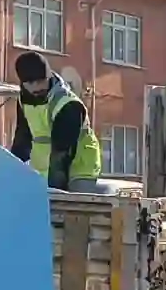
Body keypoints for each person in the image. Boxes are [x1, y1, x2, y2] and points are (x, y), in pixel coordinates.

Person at [9, 52, 101, 190]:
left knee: (73, 209)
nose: (37, 87)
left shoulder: (67, 104)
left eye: (41, 81)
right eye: (30, 83)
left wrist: (55, 190)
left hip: (80, 168)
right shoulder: (24, 102)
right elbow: (22, 141)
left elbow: (62, 152)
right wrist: (12, 172)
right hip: (45, 170)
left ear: (49, 76)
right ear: (23, 83)